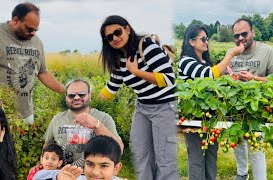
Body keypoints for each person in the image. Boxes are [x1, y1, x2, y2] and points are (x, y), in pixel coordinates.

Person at [98, 15, 177, 180]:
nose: (115, 38)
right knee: (140, 154)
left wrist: (136, 72)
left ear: (127, 29)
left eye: (117, 32)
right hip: (142, 108)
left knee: (164, 159)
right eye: (109, 37)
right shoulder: (119, 57)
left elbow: (168, 78)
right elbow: (112, 86)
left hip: (164, 106)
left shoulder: (146, 45)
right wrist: (87, 104)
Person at [0, 2, 65, 124]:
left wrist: (68, 92)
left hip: (26, 113)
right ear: (15, 20)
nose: (33, 33)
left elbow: (43, 72)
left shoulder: (36, 42)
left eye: (36, 30)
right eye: (29, 29)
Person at [178, 24, 244, 180]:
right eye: (203, 38)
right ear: (191, 41)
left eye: (207, 38)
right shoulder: (186, 62)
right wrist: (230, 54)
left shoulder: (204, 62)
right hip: (193, 119)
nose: (206, 42)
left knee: (211, 157)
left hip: (210, 116)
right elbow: (208, 75)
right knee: (196, 159)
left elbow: (213, 81)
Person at [229, 18, 273, 180]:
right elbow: (223, 77)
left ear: (253, 32)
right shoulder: (231, 53)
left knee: (256, 147)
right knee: (238, 142)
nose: (240, 38)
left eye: (244, 34)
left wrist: (254, 78)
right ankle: (242, 174)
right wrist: (230, 79)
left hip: (257, 108)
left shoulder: (267, 51)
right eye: (236, 36)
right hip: (235, 107)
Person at [44, 79, 123, 168]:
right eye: (71, 95)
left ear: (90, 95)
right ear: (66, 98)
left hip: (94, 175)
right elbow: (47, 147)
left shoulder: (104, 118)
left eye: (81, 94)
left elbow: (119, 148)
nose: (76, 98)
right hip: (64, 174)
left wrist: (97, 125)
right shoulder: (57, 119)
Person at [33, 135, 124, 180]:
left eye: (104, 166)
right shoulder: (78, 178)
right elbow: (37, 177)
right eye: (90, 164)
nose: (95, 172)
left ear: (116, 168)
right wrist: (57, 176)